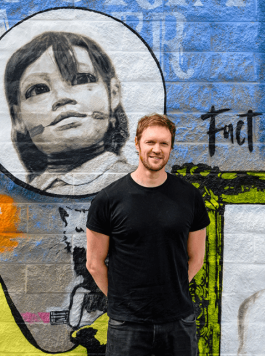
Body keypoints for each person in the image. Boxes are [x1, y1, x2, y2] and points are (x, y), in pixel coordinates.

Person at [86, 113, 210, 355]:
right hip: (127, 326)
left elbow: (197, 257)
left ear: (171, 148)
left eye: (164, 143)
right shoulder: (109, 199)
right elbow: (94, 263)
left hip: (178, 322)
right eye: (150, 142)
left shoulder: (189, 196)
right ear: (136, 144)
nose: (157, 149)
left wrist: (174, 291)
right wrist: (122, 301)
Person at [4, 31, 134, 196]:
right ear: (18, 119)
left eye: (82, 79)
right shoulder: (19, 197)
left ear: (113, 93)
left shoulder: (138, 185)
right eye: (39, 89)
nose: (62, 97)